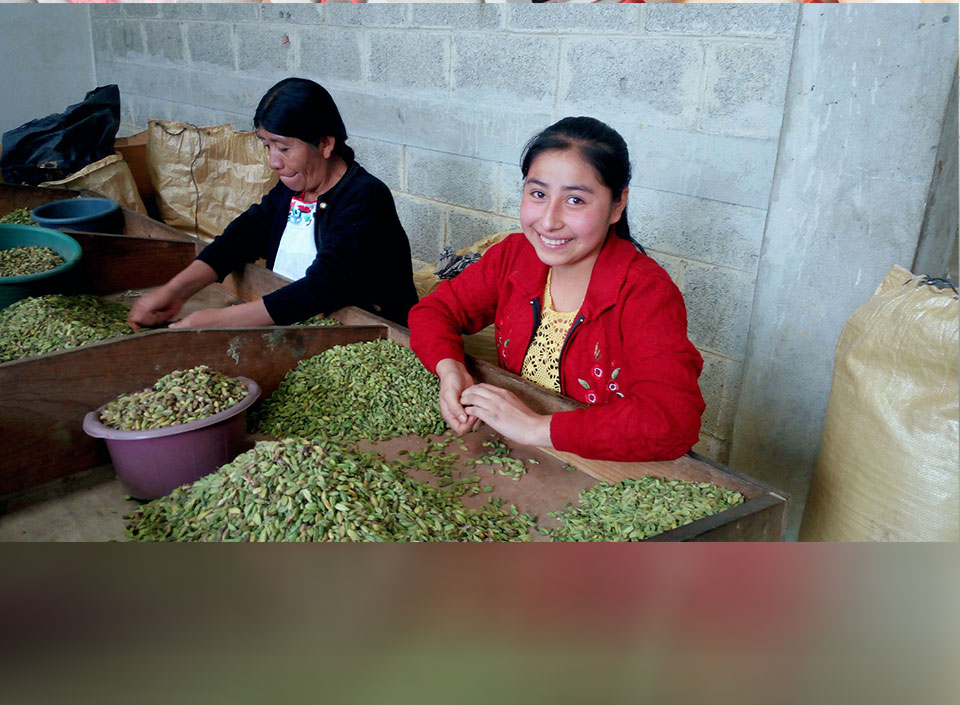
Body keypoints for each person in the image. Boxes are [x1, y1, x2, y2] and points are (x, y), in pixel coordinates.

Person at [408, 116, 704, 462]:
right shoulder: (514, 257)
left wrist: (535, 428)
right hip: (523, 456)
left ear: (617, 205)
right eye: (538, 193)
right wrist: (450, 368)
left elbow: (671, 421)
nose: (549, 221)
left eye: (575, 200)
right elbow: (434, 311)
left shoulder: (645, 292)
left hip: (606, 465)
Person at [128, 77, 418, 330]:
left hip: (370, 331)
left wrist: (219, 320)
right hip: (298, 322)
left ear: (326, 145)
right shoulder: (293, 189)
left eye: (284, 148)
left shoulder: (364, 198)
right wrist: (175, 291)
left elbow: (324, 287)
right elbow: (241, 238)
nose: (273, 162)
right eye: (266, 145)